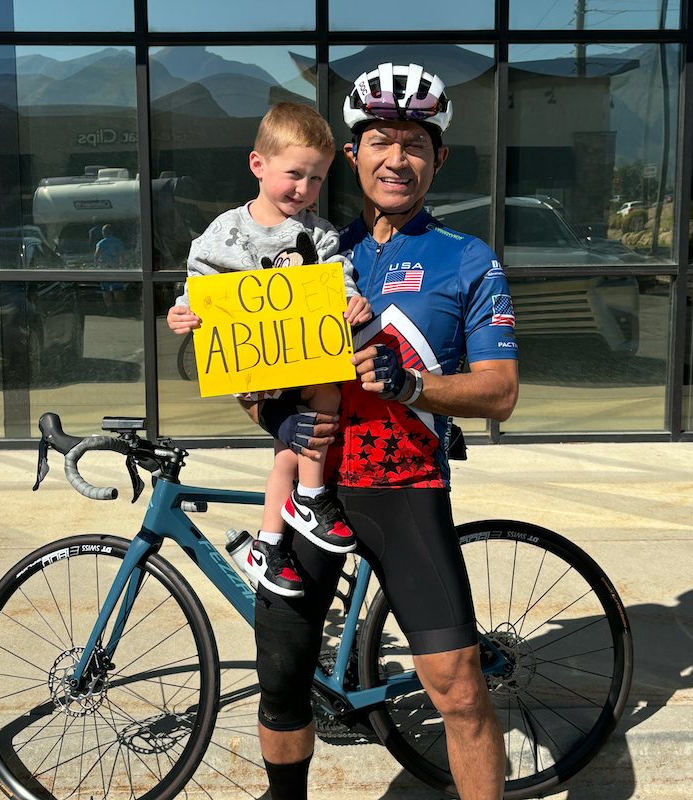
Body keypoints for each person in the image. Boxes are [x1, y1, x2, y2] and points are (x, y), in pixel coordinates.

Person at [245, 63, 519, 800]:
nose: (397, 158)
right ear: (353, 154)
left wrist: (413, 385)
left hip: (406, 488)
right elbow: (250, 371)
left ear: (439, 158)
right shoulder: (306, 248)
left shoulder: (467, 258)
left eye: (415, 144)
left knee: (458, 686)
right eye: (380, 141)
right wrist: (272, 414)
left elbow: (500, 392)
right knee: (282, 684)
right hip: (313, 497)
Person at [166, 102, 372, 598]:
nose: (304, 188)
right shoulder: (225, 232)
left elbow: (337, 278)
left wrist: (351, 301)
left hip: (304, 361)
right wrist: (182, 312)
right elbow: (199, 286)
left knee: (297, 443)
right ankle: (308, 501)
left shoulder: (319, 233)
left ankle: (274, 538)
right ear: (258, 165)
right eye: (295, 174)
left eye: (317, 178)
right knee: (298, 436)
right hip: (253, 373)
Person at [94, 224, 126, 307]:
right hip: (115, 267)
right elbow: (122, 255)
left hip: (104, 268)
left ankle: (109, 307)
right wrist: (122, 265)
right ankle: (121, 307)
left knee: (106, 290)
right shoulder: (118, 241)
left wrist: (97, 262)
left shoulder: (101, 243)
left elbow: (96, 255)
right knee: (118, 289)